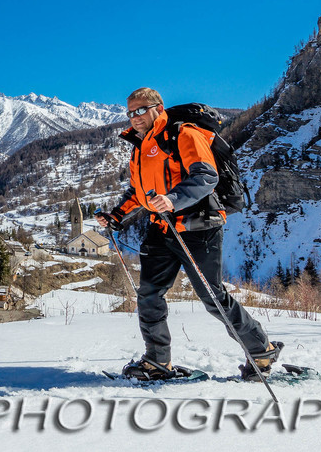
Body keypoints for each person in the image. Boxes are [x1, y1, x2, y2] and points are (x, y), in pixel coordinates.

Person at [95, 87, 282, 381]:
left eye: (140, 110)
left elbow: (206, 176)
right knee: (149, 294)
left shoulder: (183, 134)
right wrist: (116, 215)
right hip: (162, 227)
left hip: (199, 226)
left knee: (213, 297)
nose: (134, 117)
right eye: (130, 113)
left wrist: (173, 200)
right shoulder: (140, 146)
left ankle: (261, 350)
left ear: (158, 107)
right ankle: (157, 361)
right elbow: (140, 192)